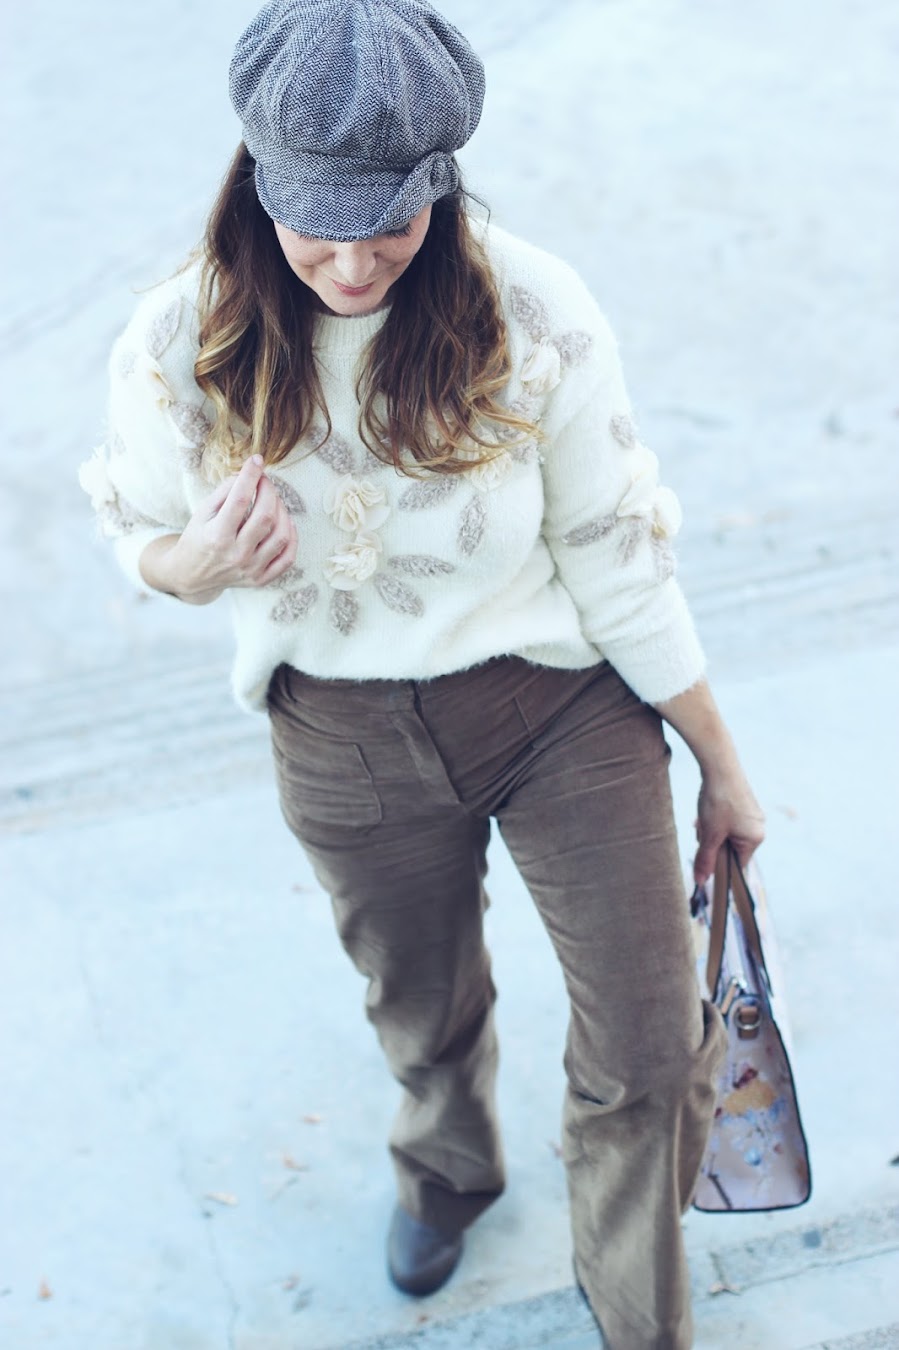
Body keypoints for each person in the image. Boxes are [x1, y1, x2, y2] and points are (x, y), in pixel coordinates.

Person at [79, 1, 765, 1346]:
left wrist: (721, 763)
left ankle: (641, 1318)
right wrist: (194, 567)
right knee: (424, 1007)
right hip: (338, 730)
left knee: (650, 1044)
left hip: (558, 704)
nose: (351, 260)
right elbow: (137, 531)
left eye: (388, 220)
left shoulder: (533, 307)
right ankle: (448, 1174)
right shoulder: (182, 338)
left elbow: (618, 553)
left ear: (441, 183)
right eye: (315, 221)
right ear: (258, 181)